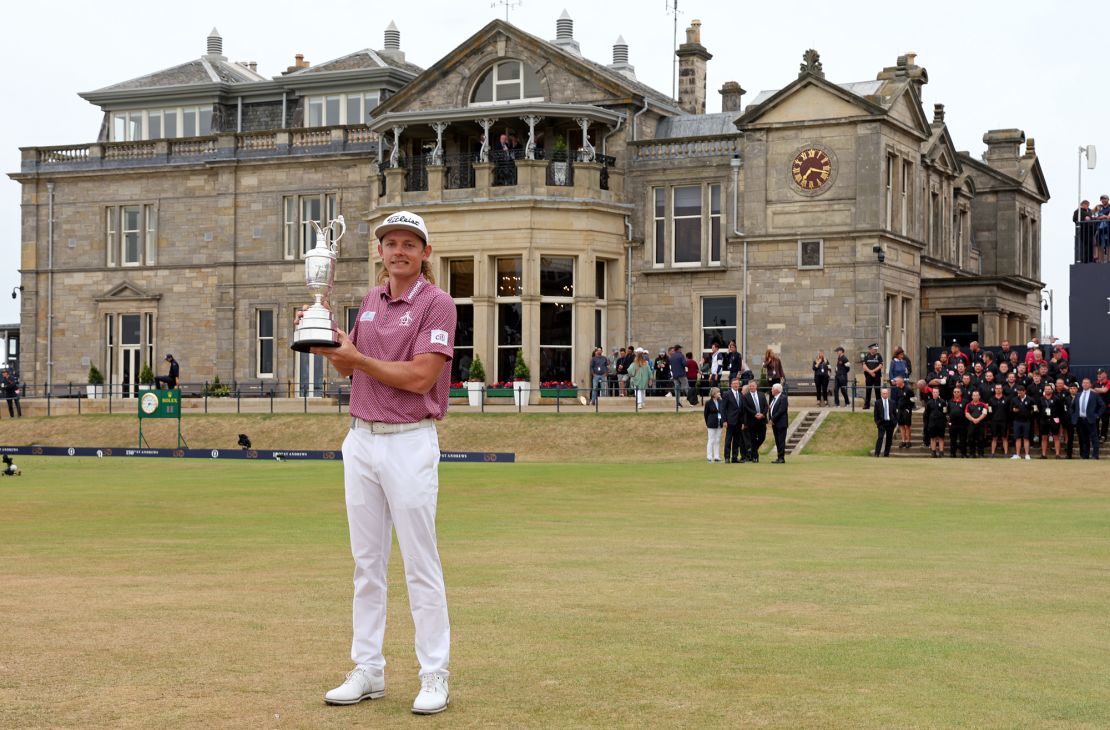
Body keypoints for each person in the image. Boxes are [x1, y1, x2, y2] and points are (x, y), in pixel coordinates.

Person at [309, 210, 453, 715]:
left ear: (425, 253)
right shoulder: (370, 301)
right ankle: (368, 668)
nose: (399, 251)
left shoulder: (438, 304)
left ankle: (434, 673)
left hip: (410, 439)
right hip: (361, 439)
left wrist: (359, 362)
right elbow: (350, 358)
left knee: (420, 564)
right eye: (390, 243)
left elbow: (419, 376)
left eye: (409, 244)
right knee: (367, 565)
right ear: (380, 251)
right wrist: (319, 331)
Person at [1073, 377, 1106, 459]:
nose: (1085, 384)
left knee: (1094, 439)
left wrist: (1097, 415)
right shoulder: (1078, 395)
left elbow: (1102, 405)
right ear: (1081, 384)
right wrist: (1074, 415)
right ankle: (1085, 455)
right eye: (1084, 382)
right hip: (1080, 420)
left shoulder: (1095, 395)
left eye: (1087, 383)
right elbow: (1072, 407)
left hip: (1091, 420)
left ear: (1090, 384)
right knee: (1084, 439)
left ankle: (1095, 455)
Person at [741, 381, 768, 463]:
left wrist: (763, 414)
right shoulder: (746, 396)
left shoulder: (762, 395)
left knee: (762, 437)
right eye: (750, 386)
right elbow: (746, 408)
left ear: (756, 386)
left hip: (762, 420)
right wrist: (755, 414)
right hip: (752, 421)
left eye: (753, 386)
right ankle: (755, 457)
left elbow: (766, 406)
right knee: (752, 439)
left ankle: (752, 449)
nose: (751, 387)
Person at [721, 378, 745, 463]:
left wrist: (743, 422)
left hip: (739, 422)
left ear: (739, 385)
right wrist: (724, 420)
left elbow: (742, 410)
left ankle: (734, 457)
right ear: (731, 385)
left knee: (737, 440)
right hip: (730, 421)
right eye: (734, 383)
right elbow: (723, 408)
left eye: (737, 383)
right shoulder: (727, 394)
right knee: (728, 440)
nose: (736, 385)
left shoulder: (741, 395)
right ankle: (727, 457)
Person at [1039, 384, 1065, 459]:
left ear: (1052, 390)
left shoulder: (1057, 399)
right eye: (1046, 389)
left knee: (1056, 437)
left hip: (1054, 420)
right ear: (1044, 390)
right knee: (1044, 437)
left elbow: (1061, 410)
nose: (1047, 390)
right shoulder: (1041, 399)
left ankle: (1057, 454)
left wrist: (1059, 420)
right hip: (1044, 420)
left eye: (1049, 389)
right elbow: (1039, 410)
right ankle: (1043, 454)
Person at [1009, 383, 1034, 460]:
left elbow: (1033, 410)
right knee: (1018, 438)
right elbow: (1010, 410)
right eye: (1018, 392)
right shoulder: (1014, 399)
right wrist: (1013, 410)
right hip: (1017, 421)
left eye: (1020, 392)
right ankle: (1018, 454)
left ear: (1024, 391)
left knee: (1026, 438)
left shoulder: (1030, 399)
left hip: (1027, 421)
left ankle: (1027, 454)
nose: (1019, 393)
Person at [768, 383, 789, 463]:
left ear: (777, 390)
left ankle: (781, 458)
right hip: (775, 423)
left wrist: (772, 419)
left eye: (772, 389)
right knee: (777, 441)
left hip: (781, 423)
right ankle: (779, 457)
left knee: (781, 441)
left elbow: (781, 411)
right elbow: (772, 409)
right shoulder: (774, 398)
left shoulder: (783, 398)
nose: (771, 390)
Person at [891, 375, 914, 448]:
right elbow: (897, 399)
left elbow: (913, 400)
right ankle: (903, 441)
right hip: (900, 410)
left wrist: (909, 408)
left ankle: (908, 441)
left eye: (897, 381)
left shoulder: (908, 389)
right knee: (901, 425)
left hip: (906, 410)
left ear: (901, 381)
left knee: (907, 426)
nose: (895, 382)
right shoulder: (897, 389)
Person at [923, 387, 948, 458]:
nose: (935, 393)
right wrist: (927, 423)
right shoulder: (929, 402)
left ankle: (941, 452)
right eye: (934, 392)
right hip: (932, 423)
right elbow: (927, 414)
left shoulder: (943, 402)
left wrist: (944, 422)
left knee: (941, 438)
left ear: (939, 393)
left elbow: (945, 412)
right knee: (933, 438)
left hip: (940, 423)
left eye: (936, 392)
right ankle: (933, 452)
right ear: (932, 393)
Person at [988, 384, 1010, 458]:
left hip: (1004, 421)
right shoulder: (991, 399)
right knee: (994, 438)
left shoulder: (1006, 399)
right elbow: (989, 411)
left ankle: (1006, 454)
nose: (998, 390)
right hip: (994, 421)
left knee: (1004, 438)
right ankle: (992, 453)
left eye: (999, 388)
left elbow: (1008, 411)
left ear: (1002, 389)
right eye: (997, 388)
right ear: (994, 389)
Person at [873, 386, 896, 457]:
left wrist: (894, 422)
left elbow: (895, 413)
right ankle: (877, 453)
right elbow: (875, 415)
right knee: (880, 437)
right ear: (881, 394)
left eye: (886, 393)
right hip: (882, 423)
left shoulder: (892, 402)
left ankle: (886, 454)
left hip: (890, 423)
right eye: (883, 393)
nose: (885, 395)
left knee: (889, 439)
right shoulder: (877, 403)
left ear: (888, 394)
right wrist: (878, 423)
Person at [965, 390, 989, 458]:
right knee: (971, 439)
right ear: (972, 396)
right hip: (971, 424)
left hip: (980, 424)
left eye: (977, 395)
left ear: (979, 396)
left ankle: (981, 454)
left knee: (981, 439)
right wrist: (973, 419)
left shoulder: (983, 405)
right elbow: (966, 414)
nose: (975, 397)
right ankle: (972, 454)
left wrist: (978, 419)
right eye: (974, 395)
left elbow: (984, 413)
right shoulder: (968, 405)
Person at [704, 386, 724, 462]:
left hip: (719, 423)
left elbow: (722, 411)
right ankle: (709, 456)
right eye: (718, 392)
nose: (719, 393)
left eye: (719, 392)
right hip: (711, 423)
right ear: (714, 393)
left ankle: (716, 456)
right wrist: (708, 423)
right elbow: (706, 414)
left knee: (717, 440)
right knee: (711, 440)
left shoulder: (721, 401)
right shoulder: (708, 402)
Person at [948, 386, 969, 458]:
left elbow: (967, 412)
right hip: (953, 424)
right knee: (952, 440)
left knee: (963, 440)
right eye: (955, 392)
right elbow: (948, 412)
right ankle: (952, 453)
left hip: (962, 424)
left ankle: (963, 453)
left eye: (958, 392)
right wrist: (949, 422)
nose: (956, 393)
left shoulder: (965, 401)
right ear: (953, 393)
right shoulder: (950, 401)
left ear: (961, 393)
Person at [861, 343, 883, 409]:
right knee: (868, 390)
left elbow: (881, 365)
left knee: (877, 391)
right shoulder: (866, 356)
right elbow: (864, 366)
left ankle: (879, 406)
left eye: (876, 349)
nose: (876, 350)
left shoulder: (878, 356)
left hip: (877, 376)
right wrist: (870, 372)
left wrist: (873, 371)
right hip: (868, 376)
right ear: (870, 349)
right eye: (874, 349)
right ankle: (867, 405)